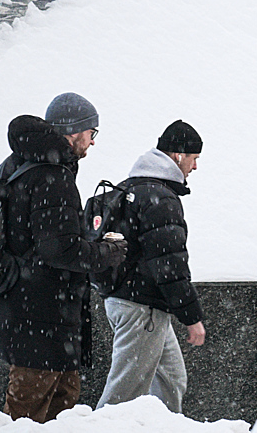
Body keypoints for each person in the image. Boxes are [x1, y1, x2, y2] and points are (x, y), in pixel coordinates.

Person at [0, 93, 128, 423]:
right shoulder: (53, 175)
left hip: (25, 308)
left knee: (62, 405)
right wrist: (107, 252)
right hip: (41, 316)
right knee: (30, 413)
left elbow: (39, 239)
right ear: (74, 132)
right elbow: (58, 249)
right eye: (92, 133)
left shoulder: (19, 165)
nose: (92, 143)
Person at [96, 120, 206, 413]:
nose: (195, 167)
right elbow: (169, 263)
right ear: (178, 156)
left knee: (171, 379)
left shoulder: (131, 188)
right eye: (194, 159)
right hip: (141, 307)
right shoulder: (159, 199)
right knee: (123, 396)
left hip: (131, 301)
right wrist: (191, 317)